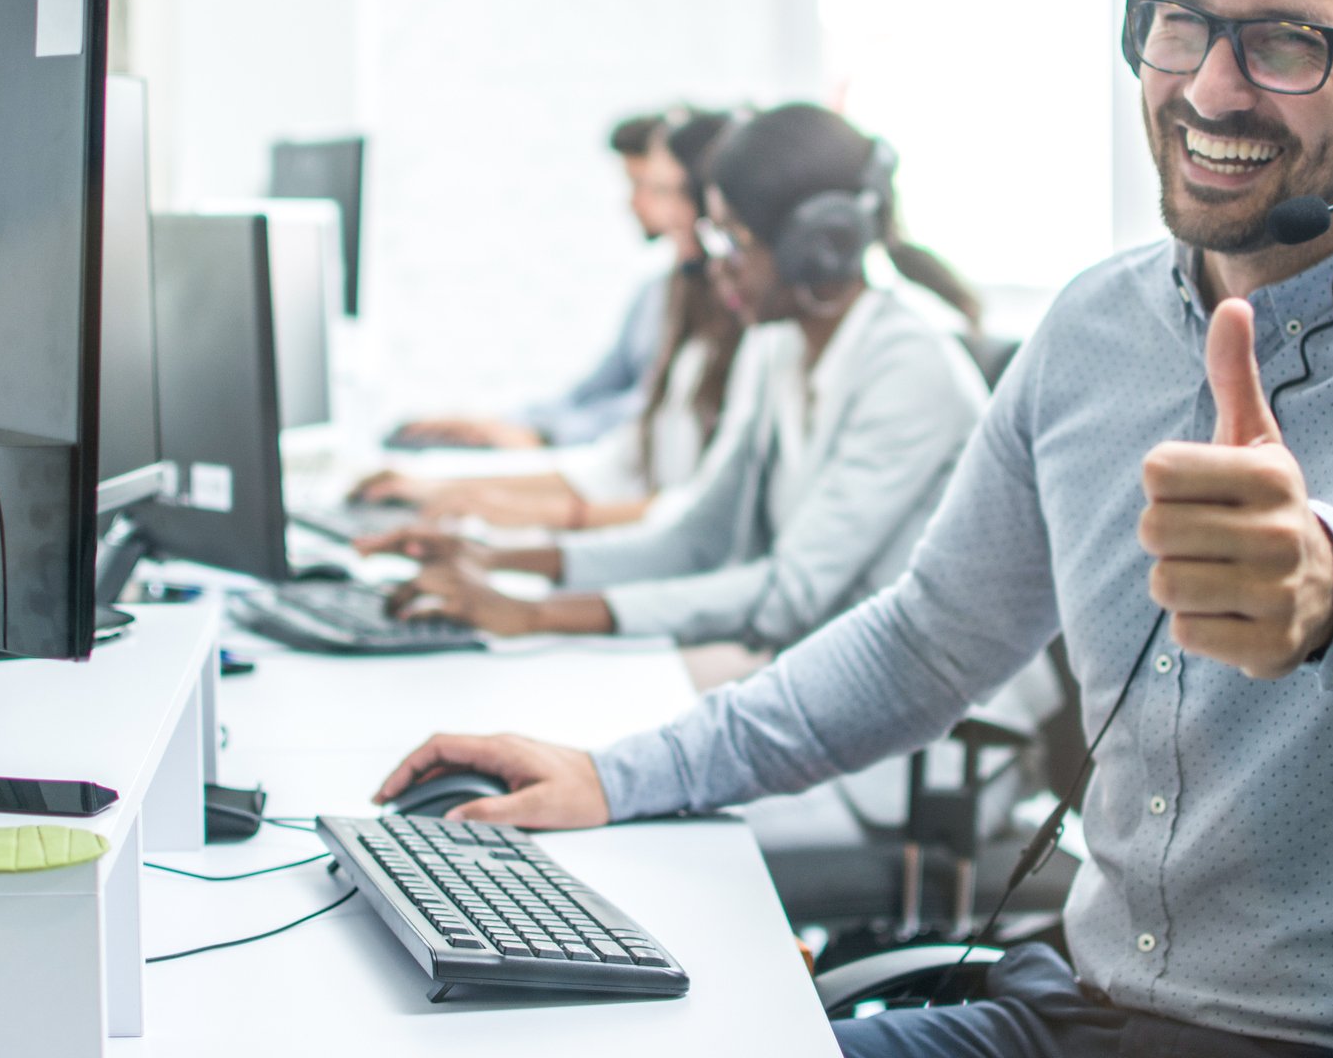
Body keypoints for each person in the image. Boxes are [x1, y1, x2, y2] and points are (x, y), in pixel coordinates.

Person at [373, 0, 1333, 1058]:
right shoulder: (1094, 326)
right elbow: (926, 640)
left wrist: (1331, 585)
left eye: (1287, 44)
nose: (1206, 85)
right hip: (1086, 1027)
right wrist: (614, 771)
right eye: (1182, 21)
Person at [358, 102, 994, 656]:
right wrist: (493, 563)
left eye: (735, 239)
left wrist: (532, 614)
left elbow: (790, 595)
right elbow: (698, 538)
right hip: (813, 669)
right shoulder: (778, 347)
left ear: (816, 247)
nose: (713, 264)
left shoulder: (909, 369)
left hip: (913, 731)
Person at [358, 111, 746, 528]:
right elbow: (614, 456)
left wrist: (507, 498)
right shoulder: (672, 298)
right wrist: (443, 486)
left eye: (665, 192)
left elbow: (690, 512)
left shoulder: (747, 337)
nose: (649, 207)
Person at [386, 110, 688, 450]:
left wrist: (545, 435)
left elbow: (656, 410)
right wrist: (495, 424)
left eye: (647, 187)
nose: (633, 203)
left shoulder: (719, 302)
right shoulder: (655, 293)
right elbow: (590, 393)